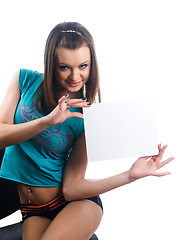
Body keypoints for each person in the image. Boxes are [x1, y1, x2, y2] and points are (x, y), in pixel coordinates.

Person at [0, 22, 174, 240]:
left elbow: (72, 188)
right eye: (65, 67)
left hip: (73, 205)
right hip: (33, 212)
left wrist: (130, 175)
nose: (75, 76)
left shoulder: (87, 117)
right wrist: (46, 121)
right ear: (51, 63)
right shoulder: (24, 80)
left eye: (83, 66)